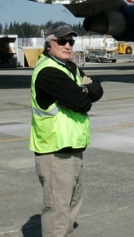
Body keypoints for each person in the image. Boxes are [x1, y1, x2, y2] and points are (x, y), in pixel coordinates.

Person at [30, 24, 103, 236]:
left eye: (71, 42)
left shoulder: (69, 68)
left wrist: (85, 90)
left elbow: (97, 89)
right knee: (58, 211)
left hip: (73, 149)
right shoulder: (48, 71)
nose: (68, 45)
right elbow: (81, 102)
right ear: (48, 44)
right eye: (62, 41)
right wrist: (84, 92)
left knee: (71, 207)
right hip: (55, 151)